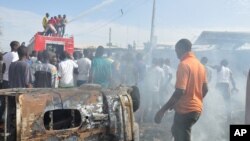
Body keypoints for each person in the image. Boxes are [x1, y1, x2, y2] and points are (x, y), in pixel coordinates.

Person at [154, 39, 208, 141]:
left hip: (186, 110)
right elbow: (205, 89)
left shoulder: (184, 64)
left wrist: (162, 110)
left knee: (181, 136)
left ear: (181, 49)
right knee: (175, 130)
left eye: (176, 50)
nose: (176, 53)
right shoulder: (200, 65)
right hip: (196, 110)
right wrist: (196, 100)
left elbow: (179, 91)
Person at [212, 59, 238, 123]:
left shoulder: (220, 67)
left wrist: (204, 64)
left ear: (221, 63)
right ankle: (229, 118)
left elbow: (213, 67)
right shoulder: (229, 70)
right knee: (228, 102)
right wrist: (234, 87)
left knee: (214, 100)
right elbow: (232, 80)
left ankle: (214, 115)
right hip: (226, 86)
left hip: (219, 85)